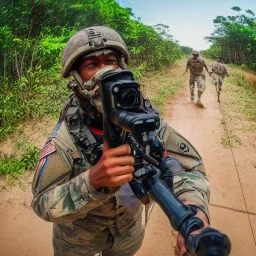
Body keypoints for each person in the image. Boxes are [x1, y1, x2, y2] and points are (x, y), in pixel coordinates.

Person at [31, 26, 210, 256]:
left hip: (128, 234)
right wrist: (92, 182)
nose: (105, 71)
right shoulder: (66, 137)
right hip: (77, 241)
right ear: (76, 79)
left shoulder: (146, 120)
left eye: (111, 61)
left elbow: (191, 168)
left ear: (122, 68)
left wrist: (196, 214)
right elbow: (42, 202)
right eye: (92, 65)